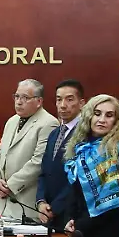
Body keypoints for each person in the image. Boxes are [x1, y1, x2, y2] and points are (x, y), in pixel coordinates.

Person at [61, 94, 119, 237]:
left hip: (107, 236)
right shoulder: (81, 148)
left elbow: (114, 203)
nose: (102, 119)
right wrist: (70, 219)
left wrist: (80, 225)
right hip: (81, 234)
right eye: (97, 113)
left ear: (116, 121)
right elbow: (75, 191)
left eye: (109, 115)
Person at [0, 79, 58, 221]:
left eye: (25, 98)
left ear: (39, 101)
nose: (19, 102)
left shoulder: (49, 123)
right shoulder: (12, 121)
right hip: (4, 205)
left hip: (25, 205)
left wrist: (9, 186)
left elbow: (38, 162)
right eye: (17, 96)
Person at [35, 80, 85, 229]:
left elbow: (78, 178)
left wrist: (54, 208)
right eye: (59, 99)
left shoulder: (85, 135)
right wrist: (41, 202)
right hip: (48, 215)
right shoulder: (54, 134)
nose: (63, 105)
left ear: (81, 103)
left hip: (71, 216)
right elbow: (44, 172)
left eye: (69, 99)